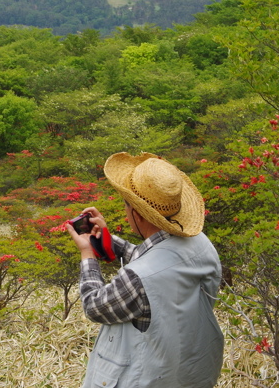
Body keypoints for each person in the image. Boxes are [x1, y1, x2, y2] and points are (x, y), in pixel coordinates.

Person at [66, 152, 223, 388]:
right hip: (189, 373)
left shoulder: (138, 277)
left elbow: (94, 307)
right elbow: (160, 261)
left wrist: (87, 253)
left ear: (136, 213)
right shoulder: (200, 243)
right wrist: (108, 240)